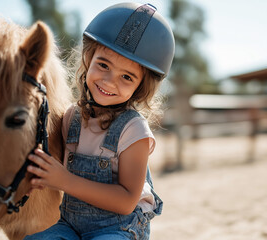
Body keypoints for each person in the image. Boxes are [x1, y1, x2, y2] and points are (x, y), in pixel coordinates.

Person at [24, 2, 174, 239]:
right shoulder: (71, 118)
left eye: (126, 76)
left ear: (140, 87)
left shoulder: (134, 130)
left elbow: (126, 201)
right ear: (88, 59)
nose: (109, 81)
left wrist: (65, 181)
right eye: (103, 65)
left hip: (119, 229)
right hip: (71, 224)